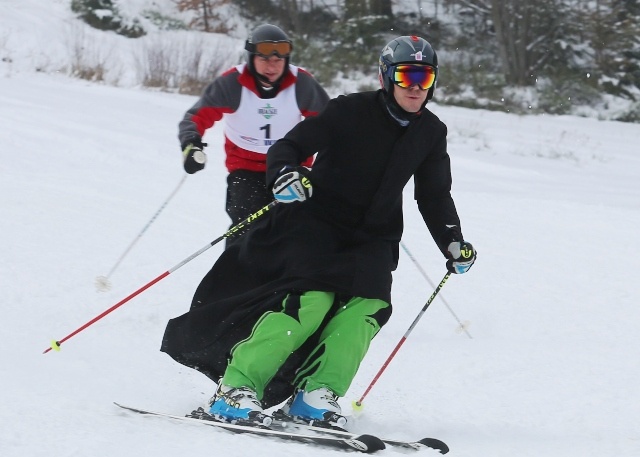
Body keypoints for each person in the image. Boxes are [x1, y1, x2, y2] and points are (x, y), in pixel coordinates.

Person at [161, 35, 477, 427]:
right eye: (407, 75)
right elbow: (287, 148)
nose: (415, 86)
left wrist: (452, 241)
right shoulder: (349, 111)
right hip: (316, 224)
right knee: (310, 302)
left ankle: (315, 395)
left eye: (425, 78)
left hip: (374, 236)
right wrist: (286, 174)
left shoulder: (431, 131)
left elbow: (433, 195)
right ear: (386, 78)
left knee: (367, 310)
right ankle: (235, 389)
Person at [178, 24, 329, 242]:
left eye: (278, 60)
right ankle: (237, 271)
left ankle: (290, 273)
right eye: (265, 59)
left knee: (296, 227)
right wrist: (191, 143)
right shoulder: (232, 84)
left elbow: (329, 123)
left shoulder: (301, 84)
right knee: (247, 225)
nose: (272, 66)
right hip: (245, 166)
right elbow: (196, 117)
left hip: (291, 166)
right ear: (251, 58)